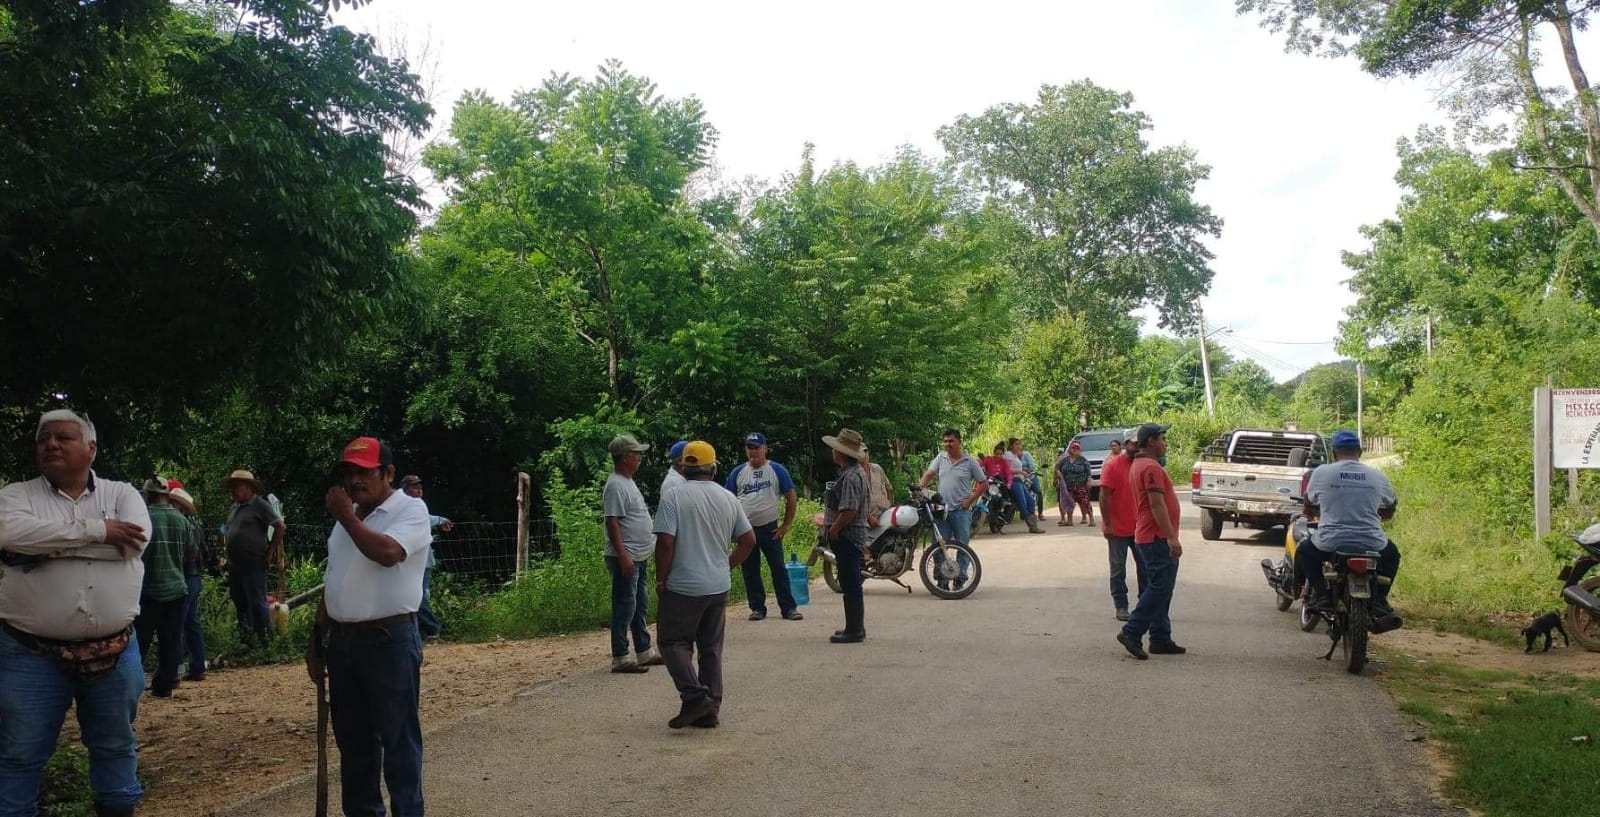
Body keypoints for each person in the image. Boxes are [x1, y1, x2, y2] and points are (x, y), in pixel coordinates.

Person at [0, 409, 152, 817]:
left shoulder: (123, 494)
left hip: (115, 652)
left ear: (91, 448)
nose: (50, 444)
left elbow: (135, 542)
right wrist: (100, 532)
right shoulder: (15, 496)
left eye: (63, 437)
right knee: (19, 751)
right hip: (29, 653)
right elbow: (8, 535)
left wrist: (38, 548)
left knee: (115, 745)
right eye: (43, 438)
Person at [306, 436, 432, 817]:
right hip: (343, 643)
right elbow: (335, 580)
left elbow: (388, 554)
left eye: (364, 472)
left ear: (388, 473)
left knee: (399, 742)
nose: (354, 480)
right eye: (349, 472)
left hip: (388, 640)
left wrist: (346, 516)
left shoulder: (411, 509)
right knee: (354, 745)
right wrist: (316, 639)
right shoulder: (350, 518)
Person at [652, 441, 757, 729]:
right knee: (710, 646)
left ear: (683, 468)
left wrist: (661, 579)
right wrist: (727, 565)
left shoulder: (673, 497)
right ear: (713, 468)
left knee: (672, 642)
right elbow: (748, 541)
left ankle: (695, 697)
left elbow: (665, 543)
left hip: (683, 587)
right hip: (717, 586)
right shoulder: (728, 498)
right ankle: (710, 708)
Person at [1296, 430, 1402, 622]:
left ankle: (1321, 596)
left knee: (1304, 551)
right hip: (1372, 543)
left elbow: (1309, 501)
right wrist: (1384, 514)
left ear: (1334, 452)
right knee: (1392, 555)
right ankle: (1379, 599)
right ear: (1360, 452)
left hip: (1330, 542)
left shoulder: (1322, 472)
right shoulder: (1377, 476)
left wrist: (1310, 510)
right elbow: (1390, 505)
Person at [1116, 423, 1187, 660]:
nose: (1165, 443)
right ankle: (1132, 631)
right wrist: (1171, 537)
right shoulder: (1150, 468)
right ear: (1150, 442)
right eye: (1162, 438)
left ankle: (1160, 637)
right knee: (1160, 587)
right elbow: (1157, 505)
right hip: (1155, 537)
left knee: (1159, 587)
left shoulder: (1140, 464)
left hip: (1147, 536)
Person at [724, 432, 802, 621]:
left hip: (769, 528)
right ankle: (757, 608)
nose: (753, 452)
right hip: (745, 530)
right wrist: (731, 529)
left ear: (765, 449)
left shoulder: (776, 469)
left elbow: (790, 496)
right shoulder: (738, 472)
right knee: (750, 570)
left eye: (757, 448)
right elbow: (726, 500)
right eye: (750, 448)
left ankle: (788, 608)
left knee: (778, 568)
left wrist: (786, 524)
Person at [602, 436, 662, 673]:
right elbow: (612, 522)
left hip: (637, 555)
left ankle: (644, 650)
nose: (639, 457)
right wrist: (623, 555)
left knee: (639, 603)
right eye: (636, 453)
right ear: (625, 457)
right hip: (626, 556)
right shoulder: (616, 485)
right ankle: (620, 655)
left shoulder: (627, 481)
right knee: (625, 604)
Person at [134, 478, 195, 698]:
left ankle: (134, 684)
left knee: (139, 641)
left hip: (148, 590)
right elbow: (191, 554)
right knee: (171, 640)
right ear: (167, 495)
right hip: (177, 589)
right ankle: (164, 686)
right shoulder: (182, 520)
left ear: (148, 494)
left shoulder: (143, 520)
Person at [222, 468, 284, 649]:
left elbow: (280, 527)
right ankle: (246, 639)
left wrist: (271, 550)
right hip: (235, 563)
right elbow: (227, 531)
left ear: (249, 487)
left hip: (254, 561)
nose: (234, 491)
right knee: (239, 599)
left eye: (238, 487)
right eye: (232, 487)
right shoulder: (234, 508)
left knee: (257, 601)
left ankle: (265, 641)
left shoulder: (260, 505)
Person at [918, 429, 987, 590]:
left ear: (959, 441)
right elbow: (929, 474)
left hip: (961, 511)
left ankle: (960, 579)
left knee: (963, 545)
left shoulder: (970, 461)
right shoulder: (940, 458)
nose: (948, 444)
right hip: (942, 510)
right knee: (939, 546)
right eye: (946, 441)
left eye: (951, 441)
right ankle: (941, 580)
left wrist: (970, 500)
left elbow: (983, 483)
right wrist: (920, 487)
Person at [822, 428, 872, 643]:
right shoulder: (853, 472)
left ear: (840, 452)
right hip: (851, 534)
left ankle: (855, 629)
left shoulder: (851, 476)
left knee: (850, 582)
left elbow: (849, 510)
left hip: (848, 535)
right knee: (850, 581)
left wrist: (834, 530)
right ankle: (853, 626)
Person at [1097, 431, 1147, 621]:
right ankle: (1121, 605)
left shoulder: (1144, 465)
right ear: (1127, 444)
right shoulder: (1113, 466)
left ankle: (1144, 605)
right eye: (1134, 444)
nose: (1137, 447)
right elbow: (1104, 496)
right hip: (1117, 528)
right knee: (1118, 569)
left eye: (1140, 443)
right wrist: (1108, 524)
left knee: (1145, 568)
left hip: (1141, 528)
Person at [398, 475, 452, 641]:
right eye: (414, 487)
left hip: (421, 560)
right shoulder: (403, 506)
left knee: (418, 595)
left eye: (419, 486)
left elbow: (424, 519)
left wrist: (440, 520)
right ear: (405, 490)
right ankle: (422, 631)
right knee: (415, 595)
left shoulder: (415, 506)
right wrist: (441, 520)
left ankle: (431, 628)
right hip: (409, 559)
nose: (419, 490)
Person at [169, 484, 208, 681]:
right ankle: (198, 666)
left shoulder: (181, 526)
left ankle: (175, 668)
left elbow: (184, 555)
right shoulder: (194, 526)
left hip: (185, 576)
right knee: (192, 622)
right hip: (195, 577)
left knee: (178, 622)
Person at [1002, 439, 1044, 533]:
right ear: (1011, 445)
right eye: (1016, 444)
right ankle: (1032, 527)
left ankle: (1033, 524)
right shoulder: (1008, 455)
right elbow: (1007, 470)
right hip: (1013, 481)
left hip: (1020, 481)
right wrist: (1020, 472)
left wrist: (1025, 473)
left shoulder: (1016, 456)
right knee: (1023, 503)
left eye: (1019, 445)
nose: (1018, 446)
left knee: (1031, 501)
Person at [1055, 441, 1093, 526]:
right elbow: (1057, 468)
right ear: (1069, 449)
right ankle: (1069, 520)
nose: (1075, 449)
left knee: (1085, 502)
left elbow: (1088, 471)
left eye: (1077, 448)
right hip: (1068, 485)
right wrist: (1058, 474)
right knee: (1069, 502)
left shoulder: (1083, 460)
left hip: (1080, 484)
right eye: (1073, 448)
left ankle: (1091, 518)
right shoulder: (1064, 460)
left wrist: (1089, 480)